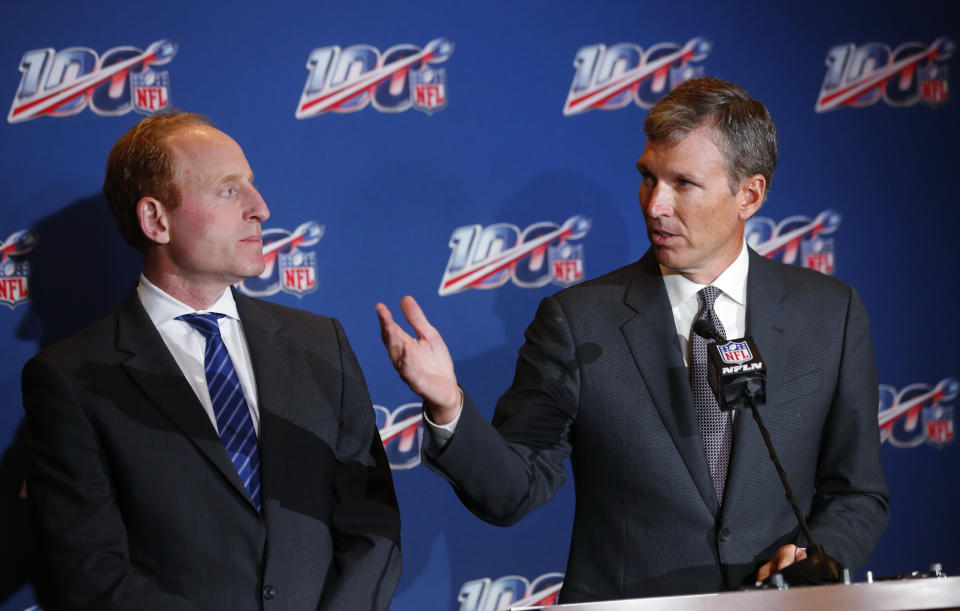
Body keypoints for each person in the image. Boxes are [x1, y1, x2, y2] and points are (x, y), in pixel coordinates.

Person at [377, 77, 888, 603]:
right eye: (648, 178)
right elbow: (512, 492)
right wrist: (448, 408)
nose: (655, 205)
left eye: (683, 184)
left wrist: (817, 559)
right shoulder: (577, 322)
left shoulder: (830, 314)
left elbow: (858, 492)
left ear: (749, 195)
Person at [22, 112, 401, 610]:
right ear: (156, 219)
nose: (260, 208)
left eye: (252, 184)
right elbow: (92, 573)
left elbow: (371, 525)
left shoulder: (318, 342)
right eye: (228, 190)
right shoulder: (70, 379)